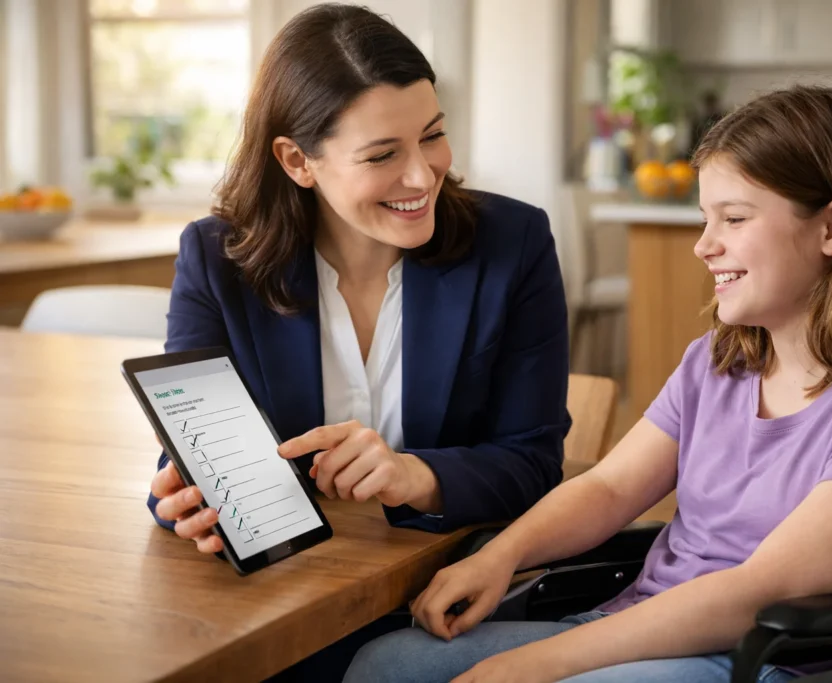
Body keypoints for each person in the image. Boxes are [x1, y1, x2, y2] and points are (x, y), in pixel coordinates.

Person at [343, 85, 832, 683]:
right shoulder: (717, 363)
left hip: (767, 660)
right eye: (706, 219)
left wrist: (532, 666)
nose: (704, 246)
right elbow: (610, 486)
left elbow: (757, 594)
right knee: (384, 666)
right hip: (649, 629)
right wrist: (500, 556)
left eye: (733, 219)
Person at [144, 2, 570, 677]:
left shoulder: (512, 245)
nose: (423, 176)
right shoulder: (216, 258)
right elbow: (185, 455)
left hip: (441, 598)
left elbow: (533, 463)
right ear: (296, 160)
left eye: (432, 135)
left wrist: (417, 475)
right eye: (382, 155)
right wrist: (183, 501)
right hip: (284, 593)